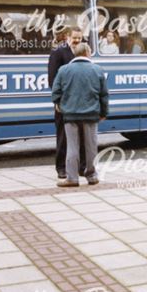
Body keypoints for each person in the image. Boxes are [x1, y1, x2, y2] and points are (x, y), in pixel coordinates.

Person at [52, 43, 108, 187]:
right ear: (88, 53)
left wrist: (59, 104)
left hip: (70, 115)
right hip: (91, 115)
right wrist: (103, 113)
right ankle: (92, 176)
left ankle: (72, 178)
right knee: (91, 146)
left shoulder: (64, 70)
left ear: (75, 54)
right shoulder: (97, 70)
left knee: (72, 146)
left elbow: (55, 91)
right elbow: (103, 95)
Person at [48, 28, 86, 179]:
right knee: (63, 136)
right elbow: (52, 78)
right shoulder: (58, 51)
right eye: (74, 37)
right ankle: (61, 168)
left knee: (82, 136)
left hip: (81, 102)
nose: (77, 40)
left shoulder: (83, 51)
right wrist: (58, 100)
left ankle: (82, 167)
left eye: (79, 38)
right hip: (64, 102)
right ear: (67, 37)